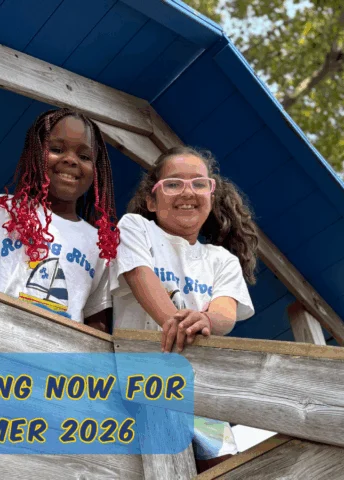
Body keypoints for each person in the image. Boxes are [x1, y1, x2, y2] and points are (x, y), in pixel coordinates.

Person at [110, 146, 259, 471]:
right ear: (152, 200)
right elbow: (139, 275)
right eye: (173, 184)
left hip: (202, 391)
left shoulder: (222, 260)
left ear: (211, 194)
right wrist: (175, 321)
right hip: (141, 387)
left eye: (198, 183)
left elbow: (225, 313)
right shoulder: (135, 227)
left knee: (221, 468)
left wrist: (205, 318)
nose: (187, 192)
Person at [0, 108, 119, 331]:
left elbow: (96, 323)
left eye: (84, 157)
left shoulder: (99, 243)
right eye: (56, 149)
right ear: (35, 153)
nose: (71, 160)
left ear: (97, 171)